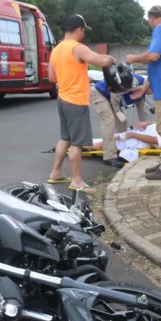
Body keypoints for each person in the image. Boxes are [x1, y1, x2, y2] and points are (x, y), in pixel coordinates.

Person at [48, 14, 115, 192]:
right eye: (83, 30)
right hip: (76, 101)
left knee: (65, 138)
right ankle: (77, 181)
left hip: (62, 99)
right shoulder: (77, 48)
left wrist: (77, 77)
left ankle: (56, 173)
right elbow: (101, 60)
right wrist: (111, 60)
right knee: (77, 143)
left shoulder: (57, 49)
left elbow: (51, 77)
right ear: (79, 29)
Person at [126, 6, 161, 180]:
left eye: (149, 20)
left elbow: (153, 56)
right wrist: (144, 88)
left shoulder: (160, 29)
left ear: (152, 18)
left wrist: (133, 58)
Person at [91, 71, 148, 169]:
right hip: (100, 93)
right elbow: (114, 96)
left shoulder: (142, 90)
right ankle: (109, 157)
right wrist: (117, 112)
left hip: (113, 97)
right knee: (109, 120)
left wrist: (146, 125)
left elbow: (142, 111)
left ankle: (121, 147)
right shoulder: (131, 83)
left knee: (122, 121)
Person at [87, 121, 161, 152]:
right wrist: (147, 123)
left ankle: (81, 147)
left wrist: (133, 134)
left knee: (111, 142)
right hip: (141, 134)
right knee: (111, 139)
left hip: (140, 139)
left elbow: (155, 140)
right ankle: (80, 145)